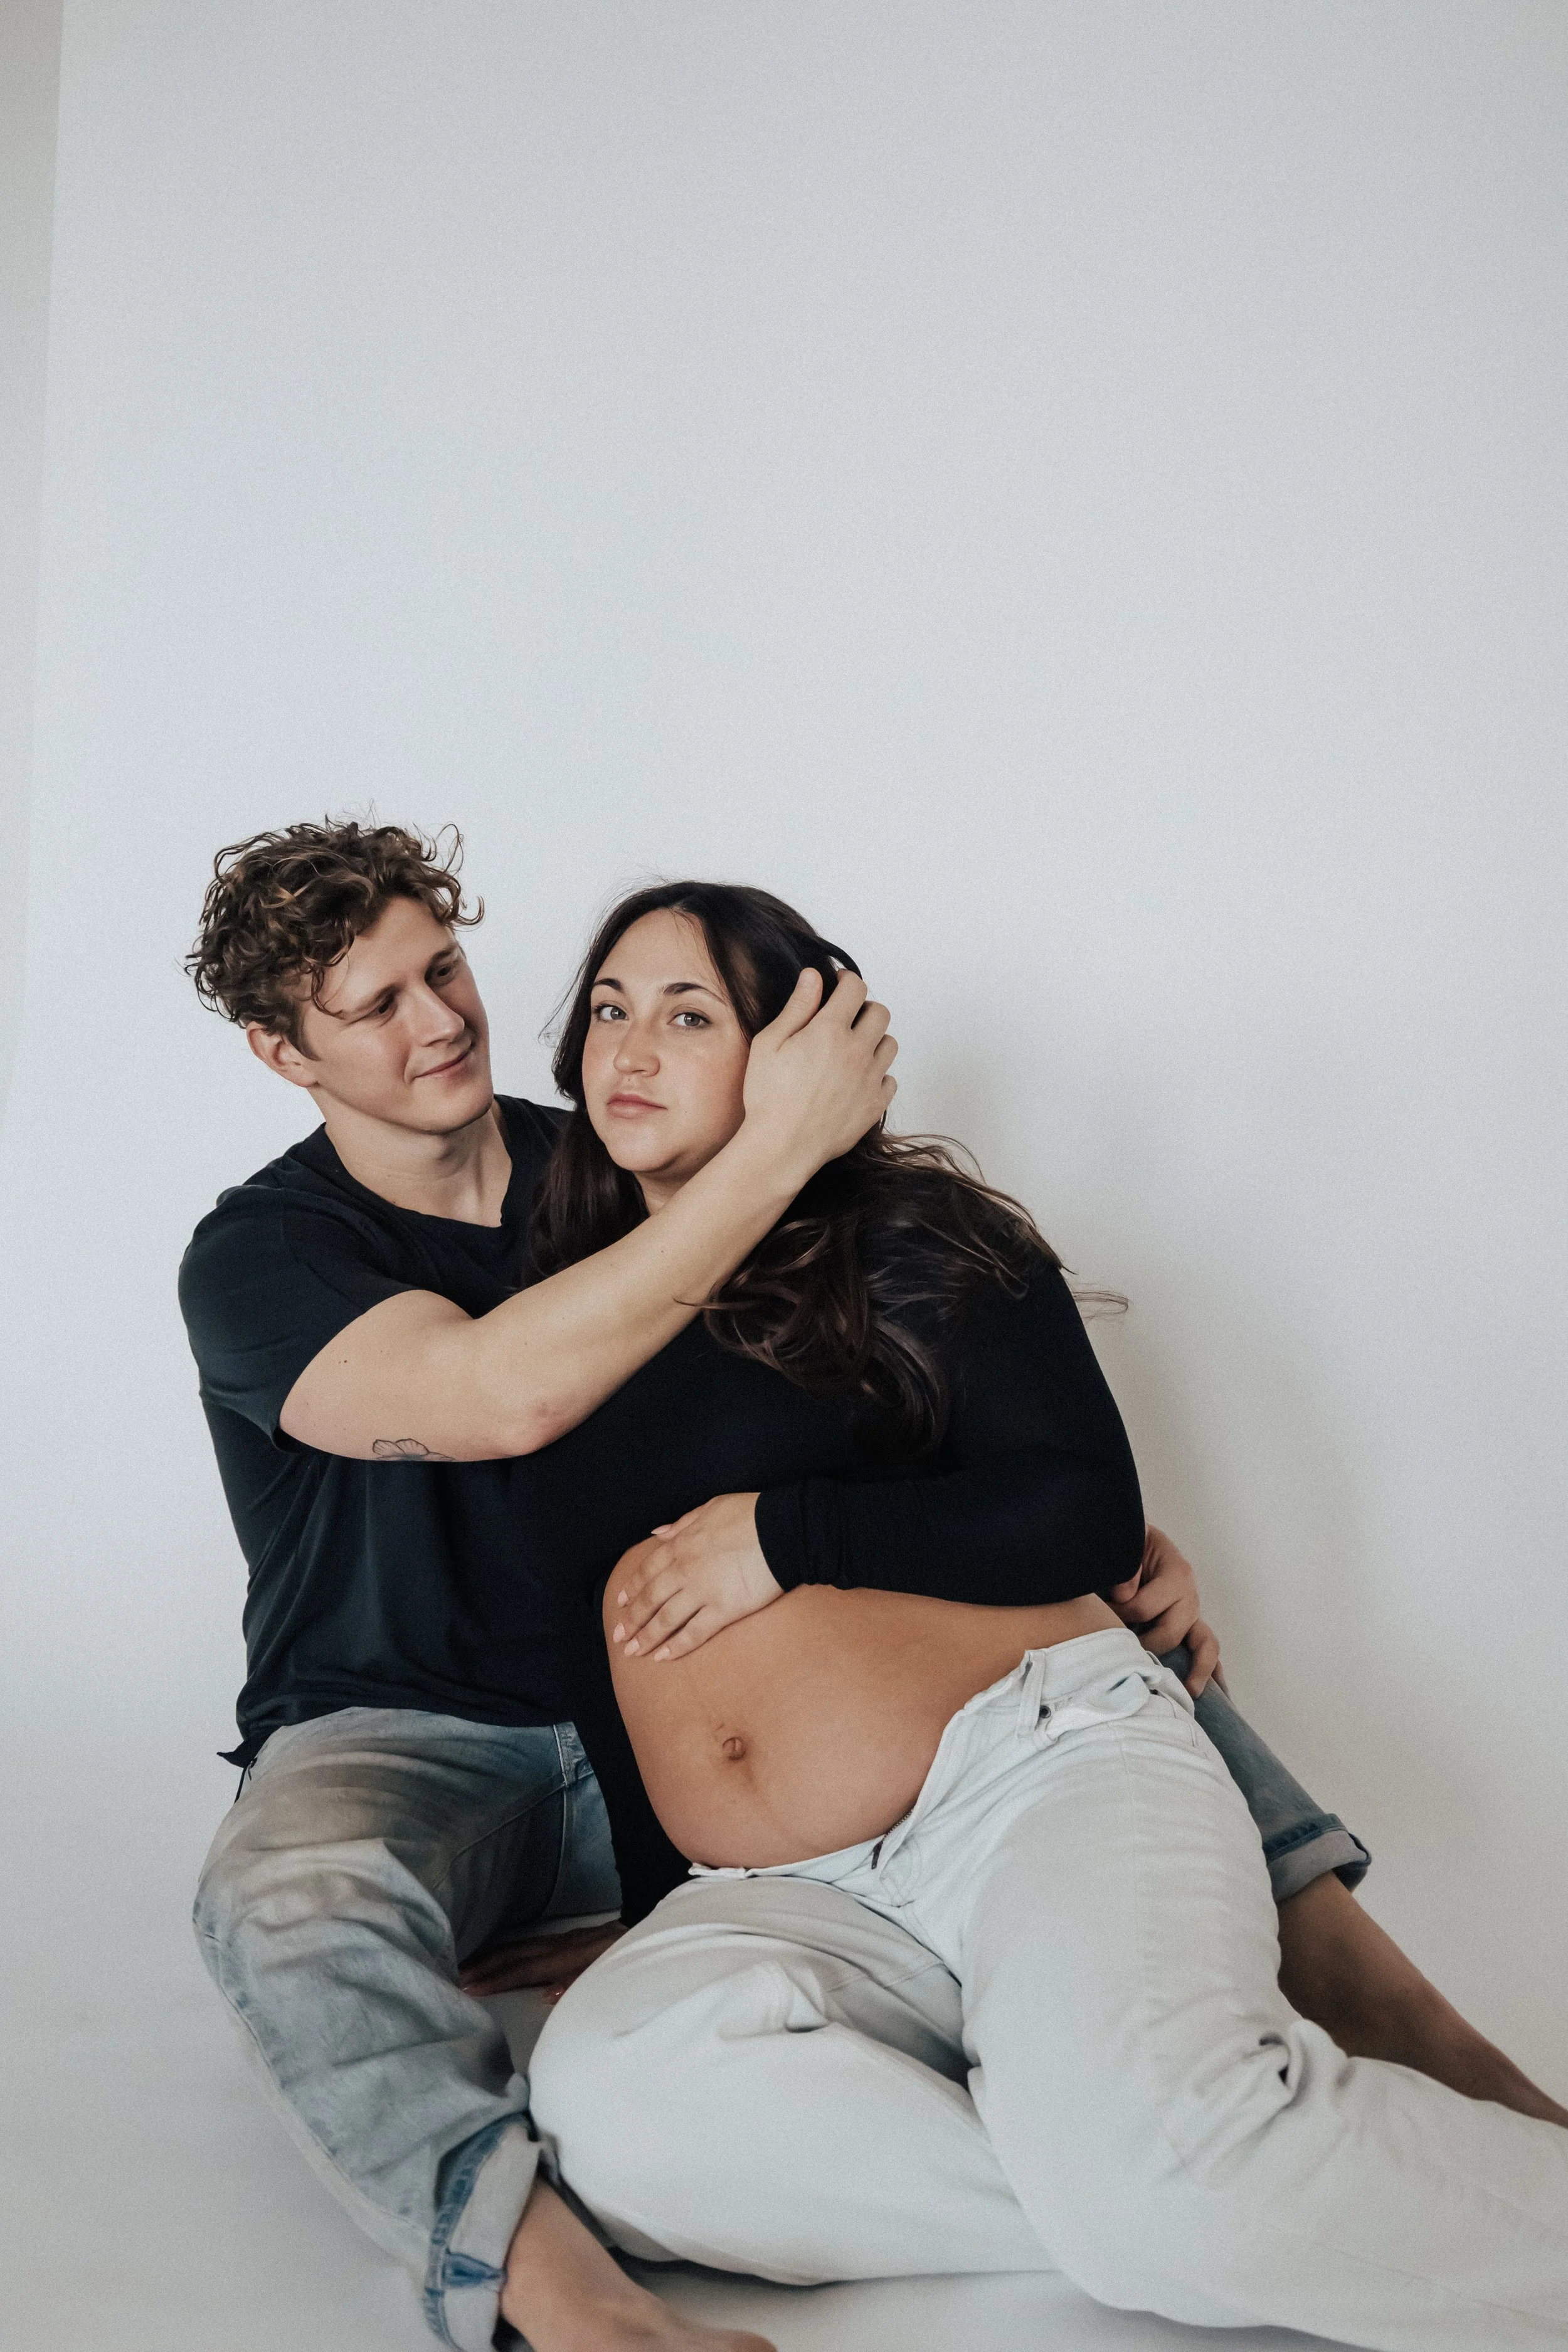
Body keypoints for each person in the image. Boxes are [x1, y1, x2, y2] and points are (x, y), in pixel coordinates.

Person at [488, 879, 1568, 2351]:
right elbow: (590, 1638)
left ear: (794, 1052)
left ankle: (1184, 2183)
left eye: (689, 1014)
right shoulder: (559, 1317)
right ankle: (1154, 2196)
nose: (629, 1045)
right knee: (620, 2121)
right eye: (609, 1009)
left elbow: (1078, 1512)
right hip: (776, 1897)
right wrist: (645, 1898)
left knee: (1161, 2172)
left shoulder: (908, 1236)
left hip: (1031, 1784)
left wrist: (780, 1536)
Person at [179, 821, 895, 2352]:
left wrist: (1063, 1528)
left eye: (443, 968)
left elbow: (837, 1373)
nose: (441, 1020)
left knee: (1073, 1654)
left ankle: (1405, 2041)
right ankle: (569, 2304)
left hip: (675, 1692)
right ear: (276, 1050)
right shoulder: (258, 1257)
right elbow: (499, 1397)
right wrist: (778, 1145)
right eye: (375, 1006)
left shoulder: (619, 1156)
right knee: (285, 1901)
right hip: (407, 1736)